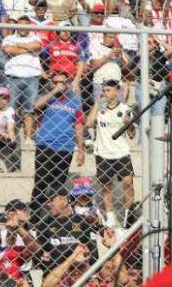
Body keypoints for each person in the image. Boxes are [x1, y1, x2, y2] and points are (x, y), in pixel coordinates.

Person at [32, 74, 85, 211]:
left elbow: (79, 126)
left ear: (68, 84)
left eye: (63, 82)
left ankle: (54, 217)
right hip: (46, 145)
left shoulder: (74, 102)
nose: (60, 85)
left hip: (65, 148)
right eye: (56, 82)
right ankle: (35, 217)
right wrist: (54, 91)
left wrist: (81, 150)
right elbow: (36, 106)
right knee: (41, 183)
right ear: (51, 84)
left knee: (58, 186)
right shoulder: (45, 98)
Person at [88, 79, 135, 228]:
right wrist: (97, 103)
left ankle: (129, 215)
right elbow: (89, 123)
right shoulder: (100, 109)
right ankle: (110, 215)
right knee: (106, 186)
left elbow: (132, 135)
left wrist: (129, 124)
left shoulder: (125, 109)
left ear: (117, 91)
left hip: (121, 152)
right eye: (104, 90)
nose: (105, 93)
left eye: (108, 90)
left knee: (128, 183)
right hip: (103, 152)